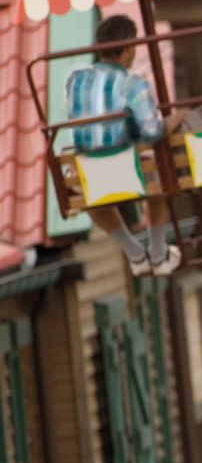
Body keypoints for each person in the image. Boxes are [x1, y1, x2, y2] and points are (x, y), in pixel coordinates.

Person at [66, 15, 188, 276]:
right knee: (158, 181)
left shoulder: (75, 81)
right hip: (128, 171)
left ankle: (134, 253)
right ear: (130, 47)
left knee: (92, 196)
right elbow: (152, 131)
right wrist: (178, 117)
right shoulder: (133, 84)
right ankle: (157, 252)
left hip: (90, 174)